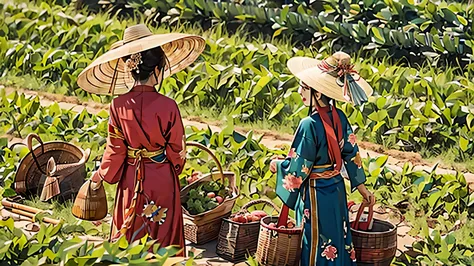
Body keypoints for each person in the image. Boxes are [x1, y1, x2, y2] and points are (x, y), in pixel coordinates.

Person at [76, 24, 205, 256]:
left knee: (130, 229)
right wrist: (175, 166)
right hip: (162, 178)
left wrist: (100, 176)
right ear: (157, 69)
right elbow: (177, 149)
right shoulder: (169, 107)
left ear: (131, 69)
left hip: (129, 178)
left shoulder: (117, 105)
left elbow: (114, 151)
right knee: (162, 232)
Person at [270, 52, 376, 265]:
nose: (300, 91)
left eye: (304, 87)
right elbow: (351, 155)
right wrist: (362, 188)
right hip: (336, 190)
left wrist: (278, 164)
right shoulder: (341, 118)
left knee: (315, 241)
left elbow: (299, 168)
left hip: (315, 194)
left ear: (318, 94)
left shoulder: (308, 124)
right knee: (337, 237)